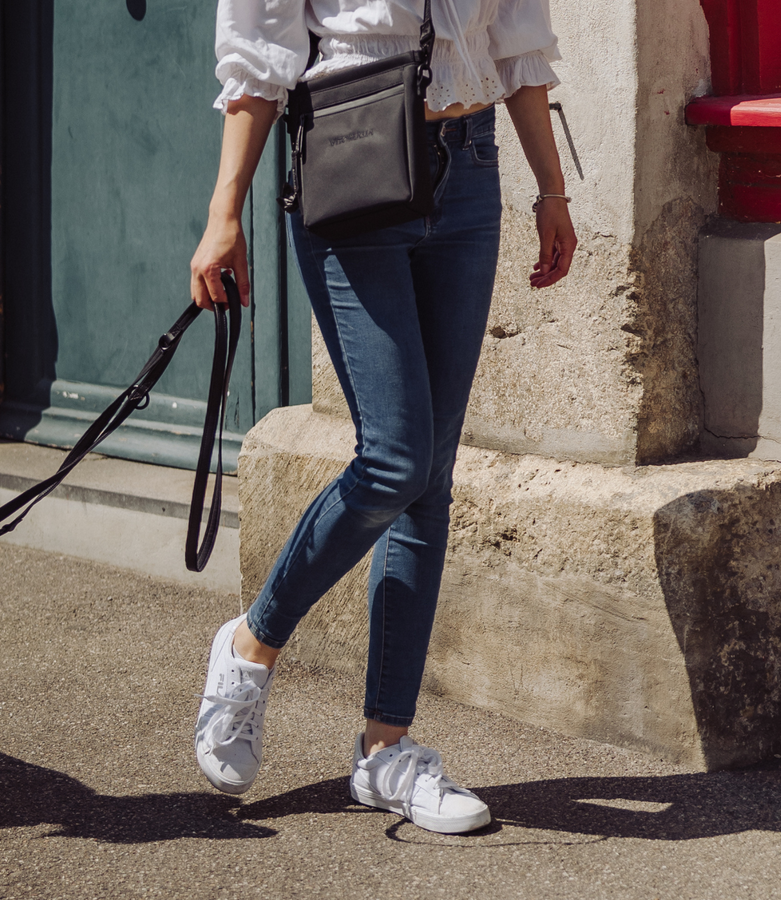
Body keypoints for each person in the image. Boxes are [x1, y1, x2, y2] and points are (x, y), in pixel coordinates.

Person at [189, 0, 575, 834]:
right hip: (352, 153)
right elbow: (262, 57)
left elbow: (516, 44)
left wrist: (551, 185)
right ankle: (254, 641)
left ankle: (384, 752)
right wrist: (225, 213)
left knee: (429, 480)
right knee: (396, 459)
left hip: (470, 171)